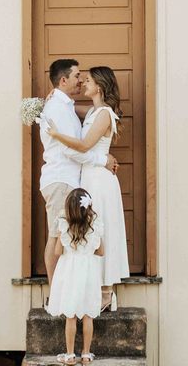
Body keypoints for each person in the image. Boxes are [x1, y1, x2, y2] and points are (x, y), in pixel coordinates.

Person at [43, 65, 131, 311]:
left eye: (89, 80)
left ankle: (107, 292)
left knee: (104, 230)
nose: (83, 83)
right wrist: (51, 98)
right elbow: (69, 107)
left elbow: (83, 146)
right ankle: (96, 288)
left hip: (100, 180)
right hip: (89, 178)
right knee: (93, 230)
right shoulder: (93, 111)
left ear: (99, 86)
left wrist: (56, 136)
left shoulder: (104, 114)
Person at [46, 188, 105, 365]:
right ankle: (86, 354)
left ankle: (70, 355)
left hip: (69, 272)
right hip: (88, 272)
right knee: (88, 314)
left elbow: (57, 251)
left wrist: (65, 241)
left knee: (70, 315)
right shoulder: (95, 225)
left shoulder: (65, 226)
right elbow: (101, 252)